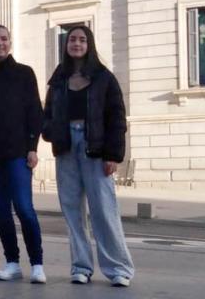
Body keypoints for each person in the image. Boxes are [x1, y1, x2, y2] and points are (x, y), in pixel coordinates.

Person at [43, 25, 134, 288]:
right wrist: (51, 132)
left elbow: (116, 118)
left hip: (95, 147)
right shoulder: (59, 78)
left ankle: (118, 268)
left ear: (89, 44)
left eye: (82, 40)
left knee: (104, 209)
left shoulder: (104, 78)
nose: (77, 44)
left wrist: (113, 155)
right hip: (66, 148)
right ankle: (81, 267)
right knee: (72, 211)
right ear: (66, 45)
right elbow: (47, 112)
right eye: (72, 39)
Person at [0, 24, 46, 284]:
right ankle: (12, 262)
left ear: (10, 42)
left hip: (17, 153)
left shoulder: (25, 74)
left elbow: (35, 112)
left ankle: (37, 264)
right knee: (1, 211)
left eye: (3, 39)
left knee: (24, 208)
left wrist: (33, 147)